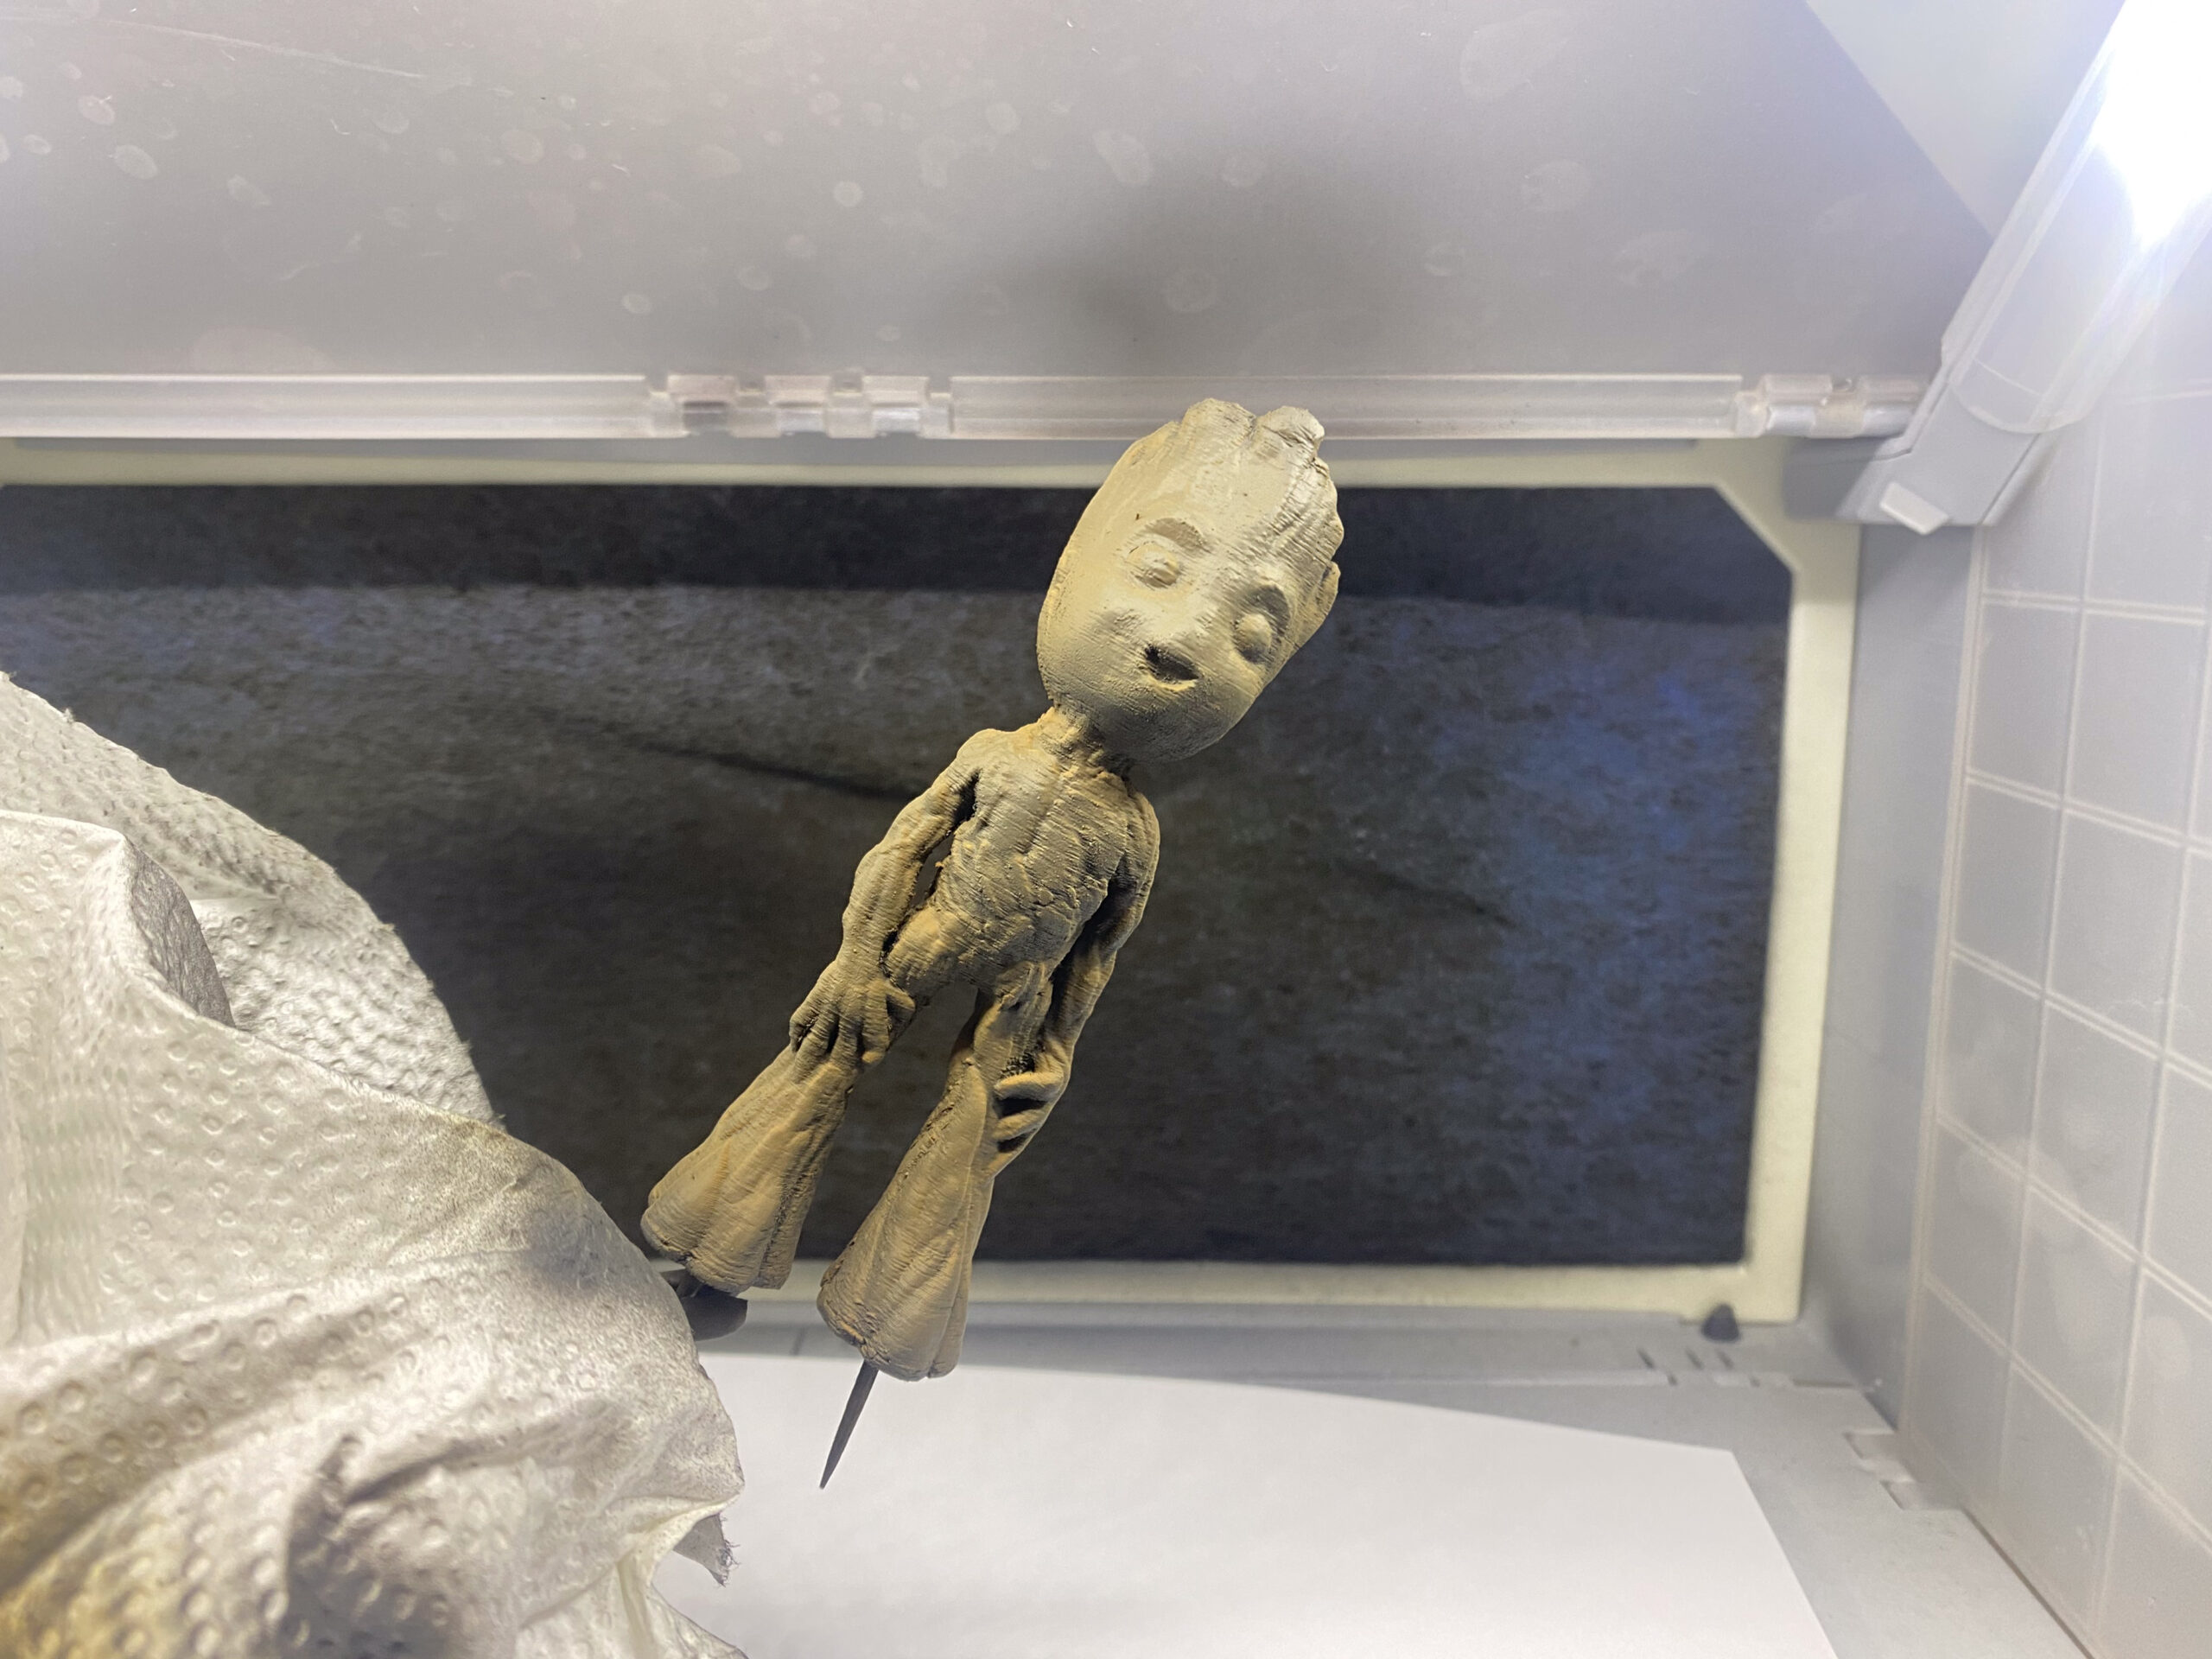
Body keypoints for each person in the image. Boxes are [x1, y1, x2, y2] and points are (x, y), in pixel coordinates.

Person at [644, 399, 1344, 1382]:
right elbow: (897, 856)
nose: (1185, 638)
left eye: (1253, 635)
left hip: (1017, 1001)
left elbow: (1095, 960)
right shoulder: (995, 756)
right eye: (1156, 569)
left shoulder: (1134, 830)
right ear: (1070, 573)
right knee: (824, 1060)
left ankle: (896, 1311)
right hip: (925, 940)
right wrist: (854, 960)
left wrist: (1056, 1057)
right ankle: (714, 1254)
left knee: (965, 1142)